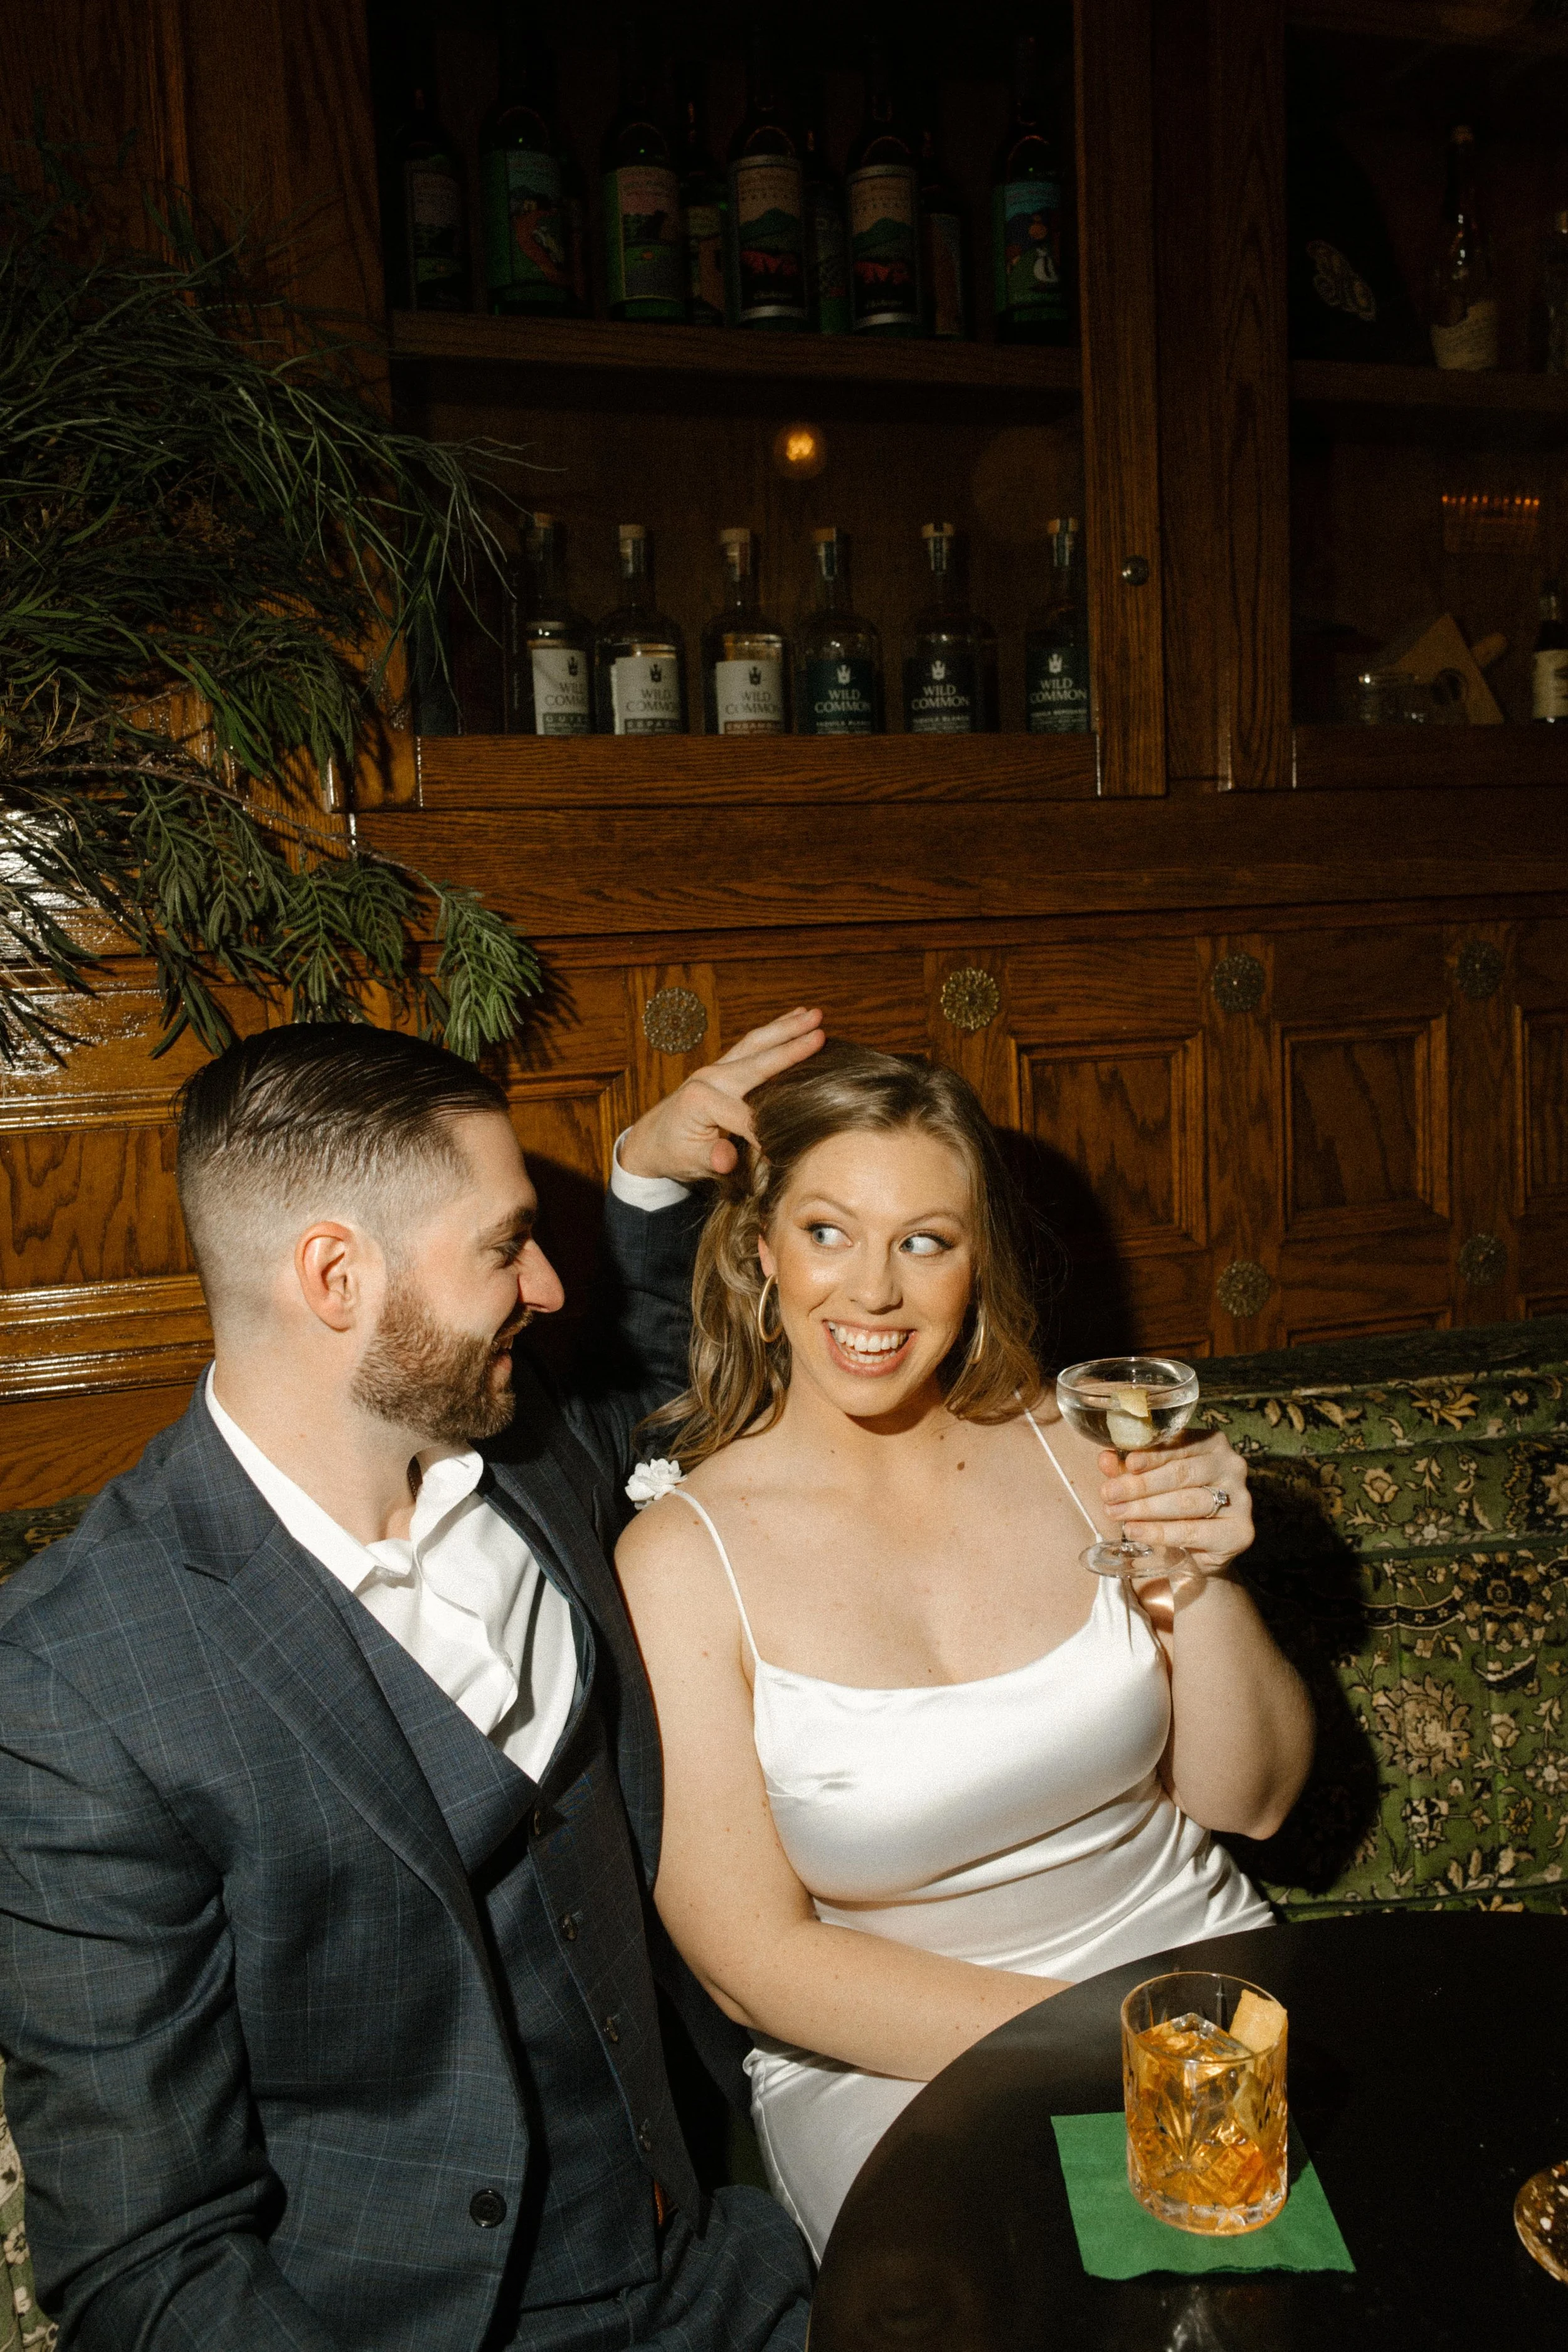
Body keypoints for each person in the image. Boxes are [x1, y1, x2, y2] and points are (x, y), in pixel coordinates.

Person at [0, 1009, 825, 2352]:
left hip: (720, 2264)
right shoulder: (73, 1683)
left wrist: (653, 1175)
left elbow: (674, 1384)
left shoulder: (531, 1448)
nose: (548, 1285)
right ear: (336, 1277)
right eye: (505, 1245)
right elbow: (150, 2263)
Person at [616, 1044, 1315, 2260]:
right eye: (829, 1232)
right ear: (756, 1250)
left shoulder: (1082, 1443)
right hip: (893, 2061)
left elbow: (1249, 1802)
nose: (874, 1292)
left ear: (975, 1258)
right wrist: (1117, 2045)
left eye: (924, 1241)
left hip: (1196, 1978)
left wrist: (1195, 1576)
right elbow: (750, 1966)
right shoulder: (682, 1559)